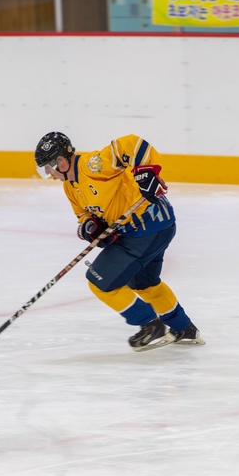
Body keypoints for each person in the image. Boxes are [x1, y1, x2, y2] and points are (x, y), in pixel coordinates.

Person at [33, 131, 204, 351]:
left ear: (61, 160)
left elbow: (132, 144)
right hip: (158, 226)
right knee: (144, 284)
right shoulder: (70, 186)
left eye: (49, 168)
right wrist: (91, 227)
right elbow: (84, 215)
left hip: (145, 227)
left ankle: (152, 327)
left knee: (99, 281)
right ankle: (185, 329)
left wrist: (145, 172)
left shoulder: (91, 166)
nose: (50, 174)